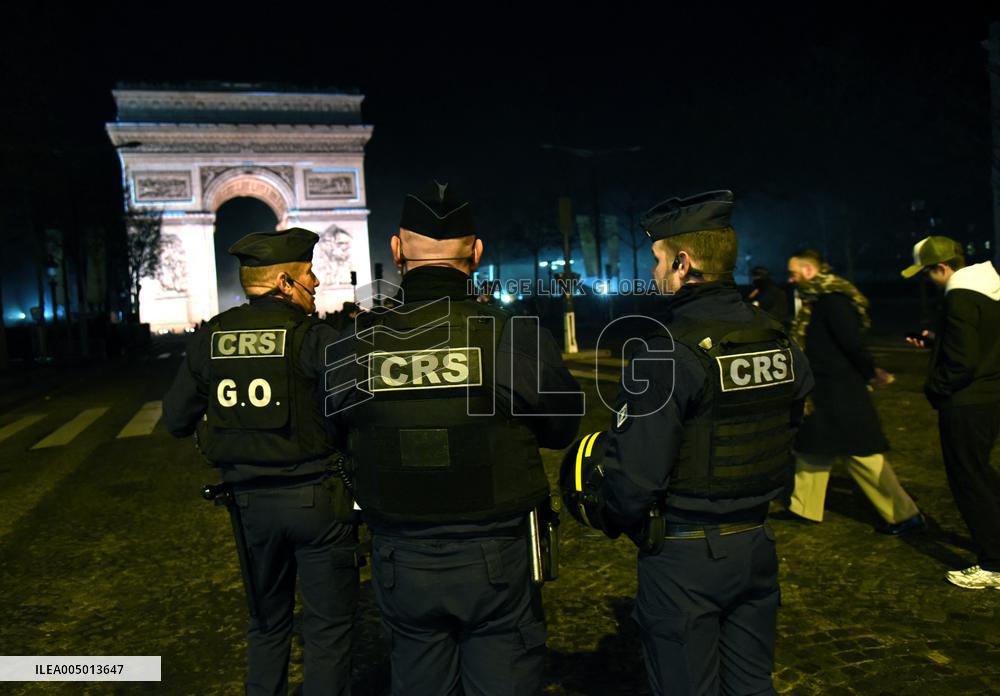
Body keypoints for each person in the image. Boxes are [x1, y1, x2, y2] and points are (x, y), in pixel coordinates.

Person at [325, 181, 581, 695]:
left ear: (396, 251)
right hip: (497, 555)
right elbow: (561, 430)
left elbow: (335, 432)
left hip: (400, 557)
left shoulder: (353, 344)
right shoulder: (515, 334)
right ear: (478, 253)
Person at [561, 190, 814, 695]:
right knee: (751, 685)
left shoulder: (664, 354)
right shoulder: (778, 338)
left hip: (685, 555)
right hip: (756, 543)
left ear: (683, 262)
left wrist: (611, 515)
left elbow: (635, 475)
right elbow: (792, 420)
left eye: (657, 259)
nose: (654, 271)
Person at [163, 228, 358, 696]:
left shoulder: (210, 336)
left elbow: (174, 420)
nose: (316, 282)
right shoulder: (316, 338)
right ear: (285, 283)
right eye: (308, 273)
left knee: (267, 625)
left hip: (249, 507)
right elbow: (356, 412)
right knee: (327, 631)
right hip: (317, 502)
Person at [779, 248, 924, 534]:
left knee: (861, 454)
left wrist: (870, 372)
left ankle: (905, 516)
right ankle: (804, 509)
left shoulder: (833, 302)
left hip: (839, 391)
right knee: (812, 449)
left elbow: (852, 344)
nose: (790, 279)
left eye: (793, 273)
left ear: (809, 271)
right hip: (823, 390)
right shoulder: (819, 300)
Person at [901, 236, 1000, 589]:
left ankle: (994, 563)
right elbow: (982, 343)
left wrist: (935, 388)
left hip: (966, 402)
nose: (928, 280)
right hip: (991, 397)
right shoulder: (990, 289)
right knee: (982, 474)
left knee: (969, 480)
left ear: (942, 267)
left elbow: (962, 363)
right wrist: (935, 340)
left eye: (927, 273)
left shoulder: (958, 297)